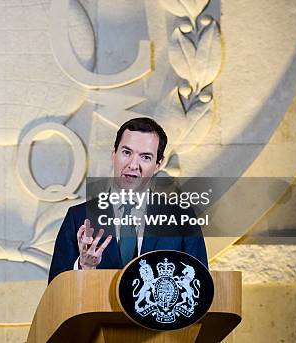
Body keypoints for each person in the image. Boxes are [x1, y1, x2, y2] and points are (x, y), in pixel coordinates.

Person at [48, 117, 208, 284]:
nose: (133, 165)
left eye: (145, 157)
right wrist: (84, 267)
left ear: (158, 164)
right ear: (114, 154)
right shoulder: (78, 217)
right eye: (126, 152)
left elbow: (199, 284)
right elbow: (55, 290)